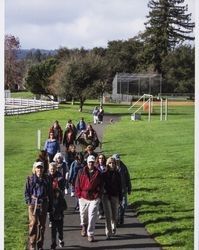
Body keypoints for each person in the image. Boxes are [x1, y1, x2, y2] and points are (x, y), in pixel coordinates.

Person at [24, 161, 53, 250]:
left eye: (41, 167)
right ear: (34, 169)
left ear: (43, 169)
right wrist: (29, 202)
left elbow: (50, 193)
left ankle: (40, 245)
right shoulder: (30, 179)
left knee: (42, 225)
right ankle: (32, 244)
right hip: (33, 204)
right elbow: (27, 192)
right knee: (33, 223)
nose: (39, 169)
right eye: (37, 167)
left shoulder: (47, 179)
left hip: (43, 203)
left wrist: (50, 205)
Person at [75, 155, 103, 242]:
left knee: (92, 216)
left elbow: (101, 186)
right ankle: (84, 226)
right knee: (83, 214)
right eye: (89, 162)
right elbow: (77, 184)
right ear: (87, 163)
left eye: (92, 162)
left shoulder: (98, 173)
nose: (90, 163)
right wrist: (78, 194)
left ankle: (90, 234)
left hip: (94, 197)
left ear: (94, 163)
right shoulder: (81, 171)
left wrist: (98, 196)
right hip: (83, 196)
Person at [101, 157, 122, 239]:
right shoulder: (104, 174)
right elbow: (101, 186)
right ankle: (108, 232)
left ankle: (114, 227)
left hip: (115, 196)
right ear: (107, 164)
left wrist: (120, 198)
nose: (112, 164)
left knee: (114, 215)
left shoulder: (117, 174)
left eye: (113, 163)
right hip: (106, 196)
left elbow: (120, 187)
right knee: (108, 215)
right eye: (110, 163)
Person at [112, 153, 132, 225]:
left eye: (118, 160)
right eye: (115, 160)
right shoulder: (111, 167)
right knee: (116, 206)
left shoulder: (123, 167)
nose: (117, 161)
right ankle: (116, 219)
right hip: (115, 190)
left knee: (124, 204)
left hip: (123, 190)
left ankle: (121, 217)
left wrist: (129, 188)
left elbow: (127, 178)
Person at [48, 162, 65, 227]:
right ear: (49, 169)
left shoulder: (59, 176)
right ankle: (51, 221)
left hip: (58, 195)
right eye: (51, 169)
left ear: (56, 169)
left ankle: (60, 220)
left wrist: (61, 192)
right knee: (50, 210)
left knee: (59, 209)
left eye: (54, 169)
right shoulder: (47, 176)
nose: (52, 170)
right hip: (50, 195)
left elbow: (62, 186)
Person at [96, 154, 107, 219]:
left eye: (102, 158)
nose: (101, 160)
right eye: (100, 158)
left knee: (105, 200)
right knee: (100, 200)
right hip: (98, 186)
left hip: (105, 185)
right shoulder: (96, 167)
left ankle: (104, 211)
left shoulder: (106, 167)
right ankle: (101, 212)